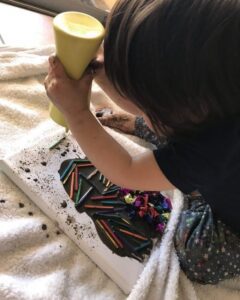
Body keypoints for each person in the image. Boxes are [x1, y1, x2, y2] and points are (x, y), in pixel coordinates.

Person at [44, 0, 240, 285]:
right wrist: (97, 70)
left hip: (233, 223)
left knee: (197, 256)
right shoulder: (216, 97)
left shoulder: (212, 151)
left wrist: (77, 113)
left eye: (145, 104)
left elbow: (128, 169)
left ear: (186, 110)